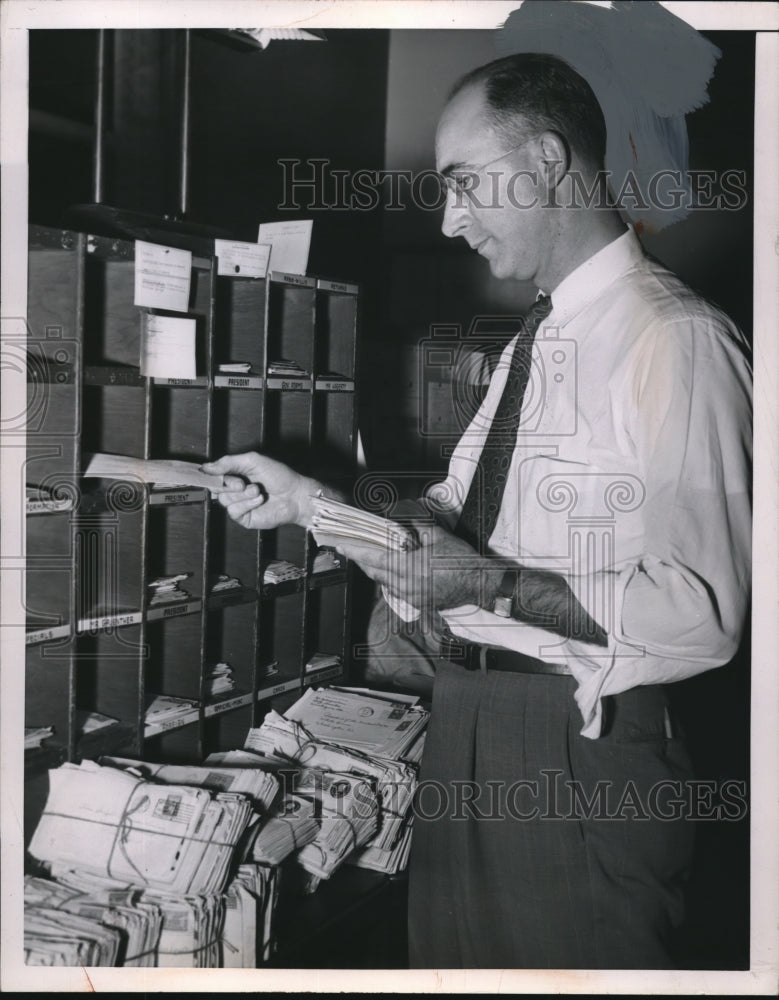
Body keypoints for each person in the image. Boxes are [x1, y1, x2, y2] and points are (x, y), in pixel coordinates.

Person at [204, 53, 752, 969]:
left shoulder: (678, 340)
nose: (451, 221)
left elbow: (701, 617)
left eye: (464, 185)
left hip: (577, 752)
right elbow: (443, 529)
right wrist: (309, 505)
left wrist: (488, 585)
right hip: (465, 719)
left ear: (544, 160)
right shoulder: (532, 345)